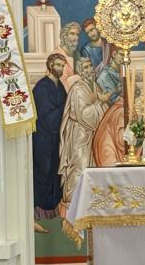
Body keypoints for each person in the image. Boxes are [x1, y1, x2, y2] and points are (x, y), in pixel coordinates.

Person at [58, 55, 107, 210]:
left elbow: (103, 114)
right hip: (79, 136)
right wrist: (100, 102)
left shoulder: (95, 87)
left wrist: (101, 102)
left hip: (92, 135)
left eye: (90, 66)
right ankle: (73, 205)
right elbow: (84, 114)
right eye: (85, 67)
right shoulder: (78, 89)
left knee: (91, 168)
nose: (89, 70)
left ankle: (89, 201)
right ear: (79, 71)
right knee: (79, 166)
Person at [33, 53, 69, 230]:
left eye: (63, 65)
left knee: (55, 174)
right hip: (43, 140)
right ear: (50, 65)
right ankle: (39, 214)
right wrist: (66, 107)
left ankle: (53, 212)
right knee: (44, 173)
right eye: (57, 65)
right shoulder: (42, 87)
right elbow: (47, 118)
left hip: (55, 140)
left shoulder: (59, 85)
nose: (60, 69)